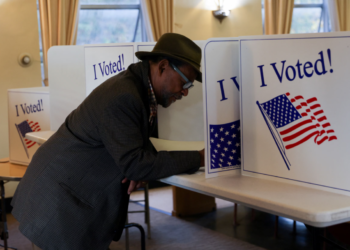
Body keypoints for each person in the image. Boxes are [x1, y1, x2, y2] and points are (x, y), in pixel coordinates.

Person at [11, 33, 205, 250]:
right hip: (59, 199)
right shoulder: (125, 96)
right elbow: (137, 164)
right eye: (185, 81)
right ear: (162, 67)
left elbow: (134, 150)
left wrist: (138, 167)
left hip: (68, 191)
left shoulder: (138, 90)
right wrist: (199, 158)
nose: (185, 91)